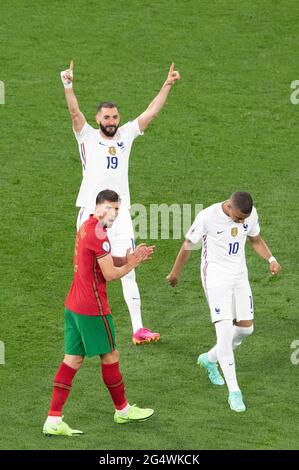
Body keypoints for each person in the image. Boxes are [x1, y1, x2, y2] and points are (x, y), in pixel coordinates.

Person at [60, 60, 180, 345]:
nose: (112, 122)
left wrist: (167, 84)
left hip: (121, 213)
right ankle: (81, 324)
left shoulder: (126, 134)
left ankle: (138, 328)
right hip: (91, 213)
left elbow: (150, 113)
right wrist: (68, 84)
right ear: (98, 118)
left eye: (115, 117)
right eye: (107, 118)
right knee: (87, 270)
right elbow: (74, 112)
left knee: (129, 264)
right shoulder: (86, 136)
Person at [43, 190, 155, 436]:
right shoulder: (100, 234)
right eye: (110, 208)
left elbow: (101, 258)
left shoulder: (87, 226)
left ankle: (52, 419)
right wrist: (133, 263)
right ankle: (123, 411)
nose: (114, 213)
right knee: (110, 356)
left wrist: (128, 256)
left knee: (72, 359)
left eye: (117, 209)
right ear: (99, 207)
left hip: (74, 304)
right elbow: (110, 274)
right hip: (93, 308)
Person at [166, 192, 281, 412]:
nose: (241, 222)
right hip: (216, 278)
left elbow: (255, 240)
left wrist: (271, 259)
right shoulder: (207, 217)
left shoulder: (249, 215)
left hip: (239, 277)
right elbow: (188, 245)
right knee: (225, 333)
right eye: (238, 218)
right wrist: (175, 274)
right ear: (228, 206)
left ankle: (210, 358)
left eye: (244, 219)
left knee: (246, 330)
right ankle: (234, 391)